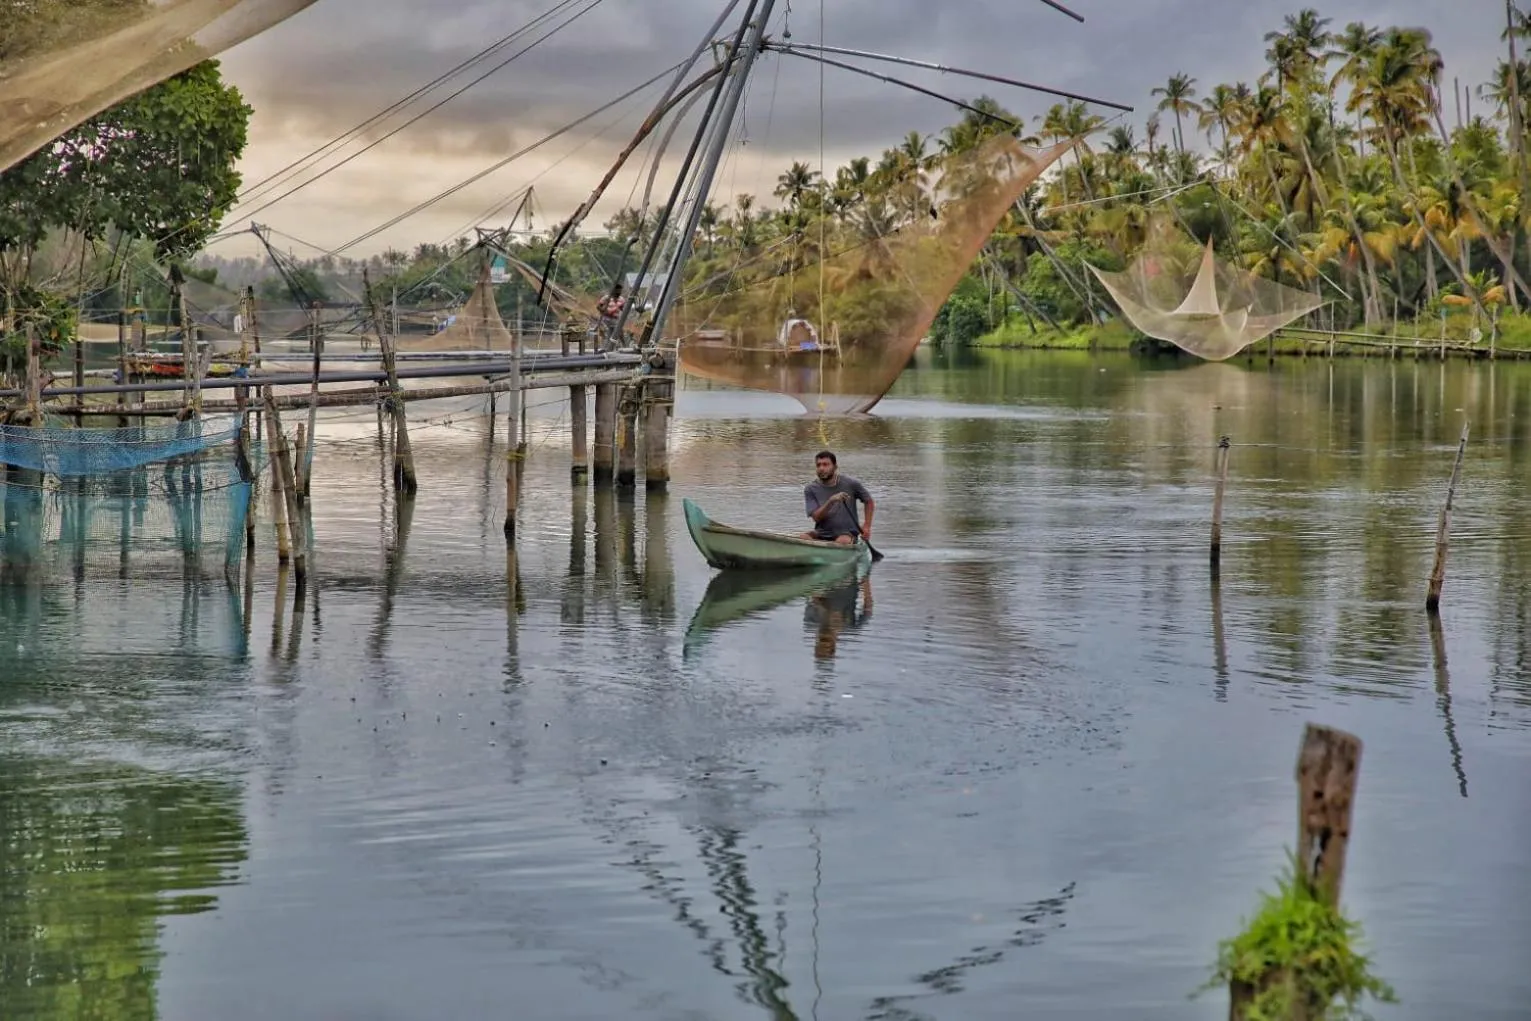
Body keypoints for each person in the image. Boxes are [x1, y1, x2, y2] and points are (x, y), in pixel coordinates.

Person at [800, 450, 874, 545]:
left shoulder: (851, 484)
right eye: (818, 465)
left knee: (842, 541)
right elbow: (816, 518)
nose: (821, 468)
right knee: (803, 537)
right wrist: (831, 501)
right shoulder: (810, 489)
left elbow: (869, 501)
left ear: (835, 467)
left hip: (847, 534)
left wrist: (867, 526)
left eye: (825, 464)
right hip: (822, 532)